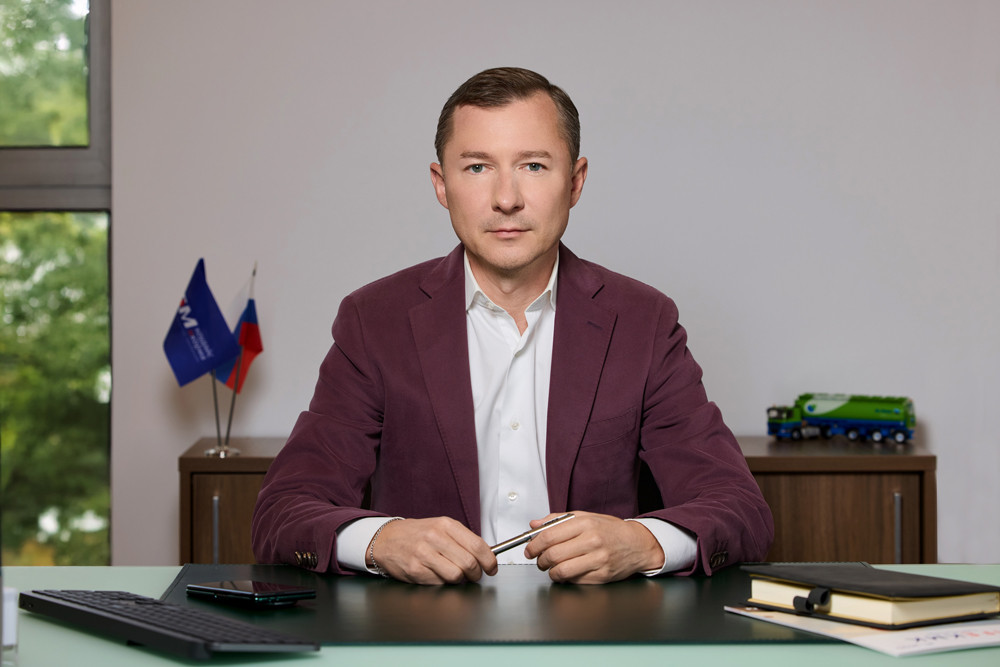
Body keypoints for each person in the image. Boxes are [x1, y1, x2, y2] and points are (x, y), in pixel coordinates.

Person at [252, 67, 773, 585]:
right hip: (427, 626)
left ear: (575, 182)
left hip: (598, 625)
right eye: (478, 167)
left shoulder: (644, 321)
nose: (506, 198)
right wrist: (380, 539)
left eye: (534, 166)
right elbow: (284, 509)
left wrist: (641, 542)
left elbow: (739, 508)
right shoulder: (374, 321)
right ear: (441, 184)